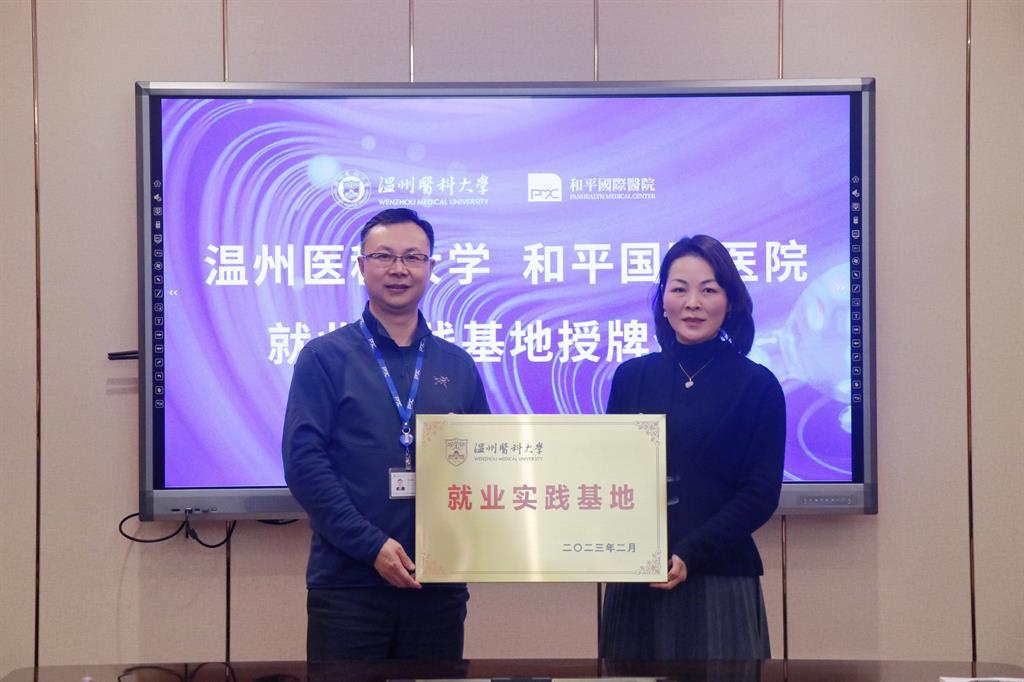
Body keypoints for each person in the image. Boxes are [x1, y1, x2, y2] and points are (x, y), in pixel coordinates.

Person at [283, 208, 490, 661]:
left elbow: (484, 465)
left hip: (437, 587)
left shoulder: (457, 365)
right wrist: (371, 546)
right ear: (362, 265)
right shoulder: (324, 358)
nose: (399, 269)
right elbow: (304, 464)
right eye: (384, 256)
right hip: (349, 585)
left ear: (430, 268)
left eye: (413, 257)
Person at [599, 234, 786, 660]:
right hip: (637, 580)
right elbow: (610, 475)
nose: (692, 303)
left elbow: (759, 494)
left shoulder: (757, 385)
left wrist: (690, 553)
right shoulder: (631, 377)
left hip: (719, 579)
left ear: (730, 301)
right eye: (679, 289)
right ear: (663, 298)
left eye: (709, 290)